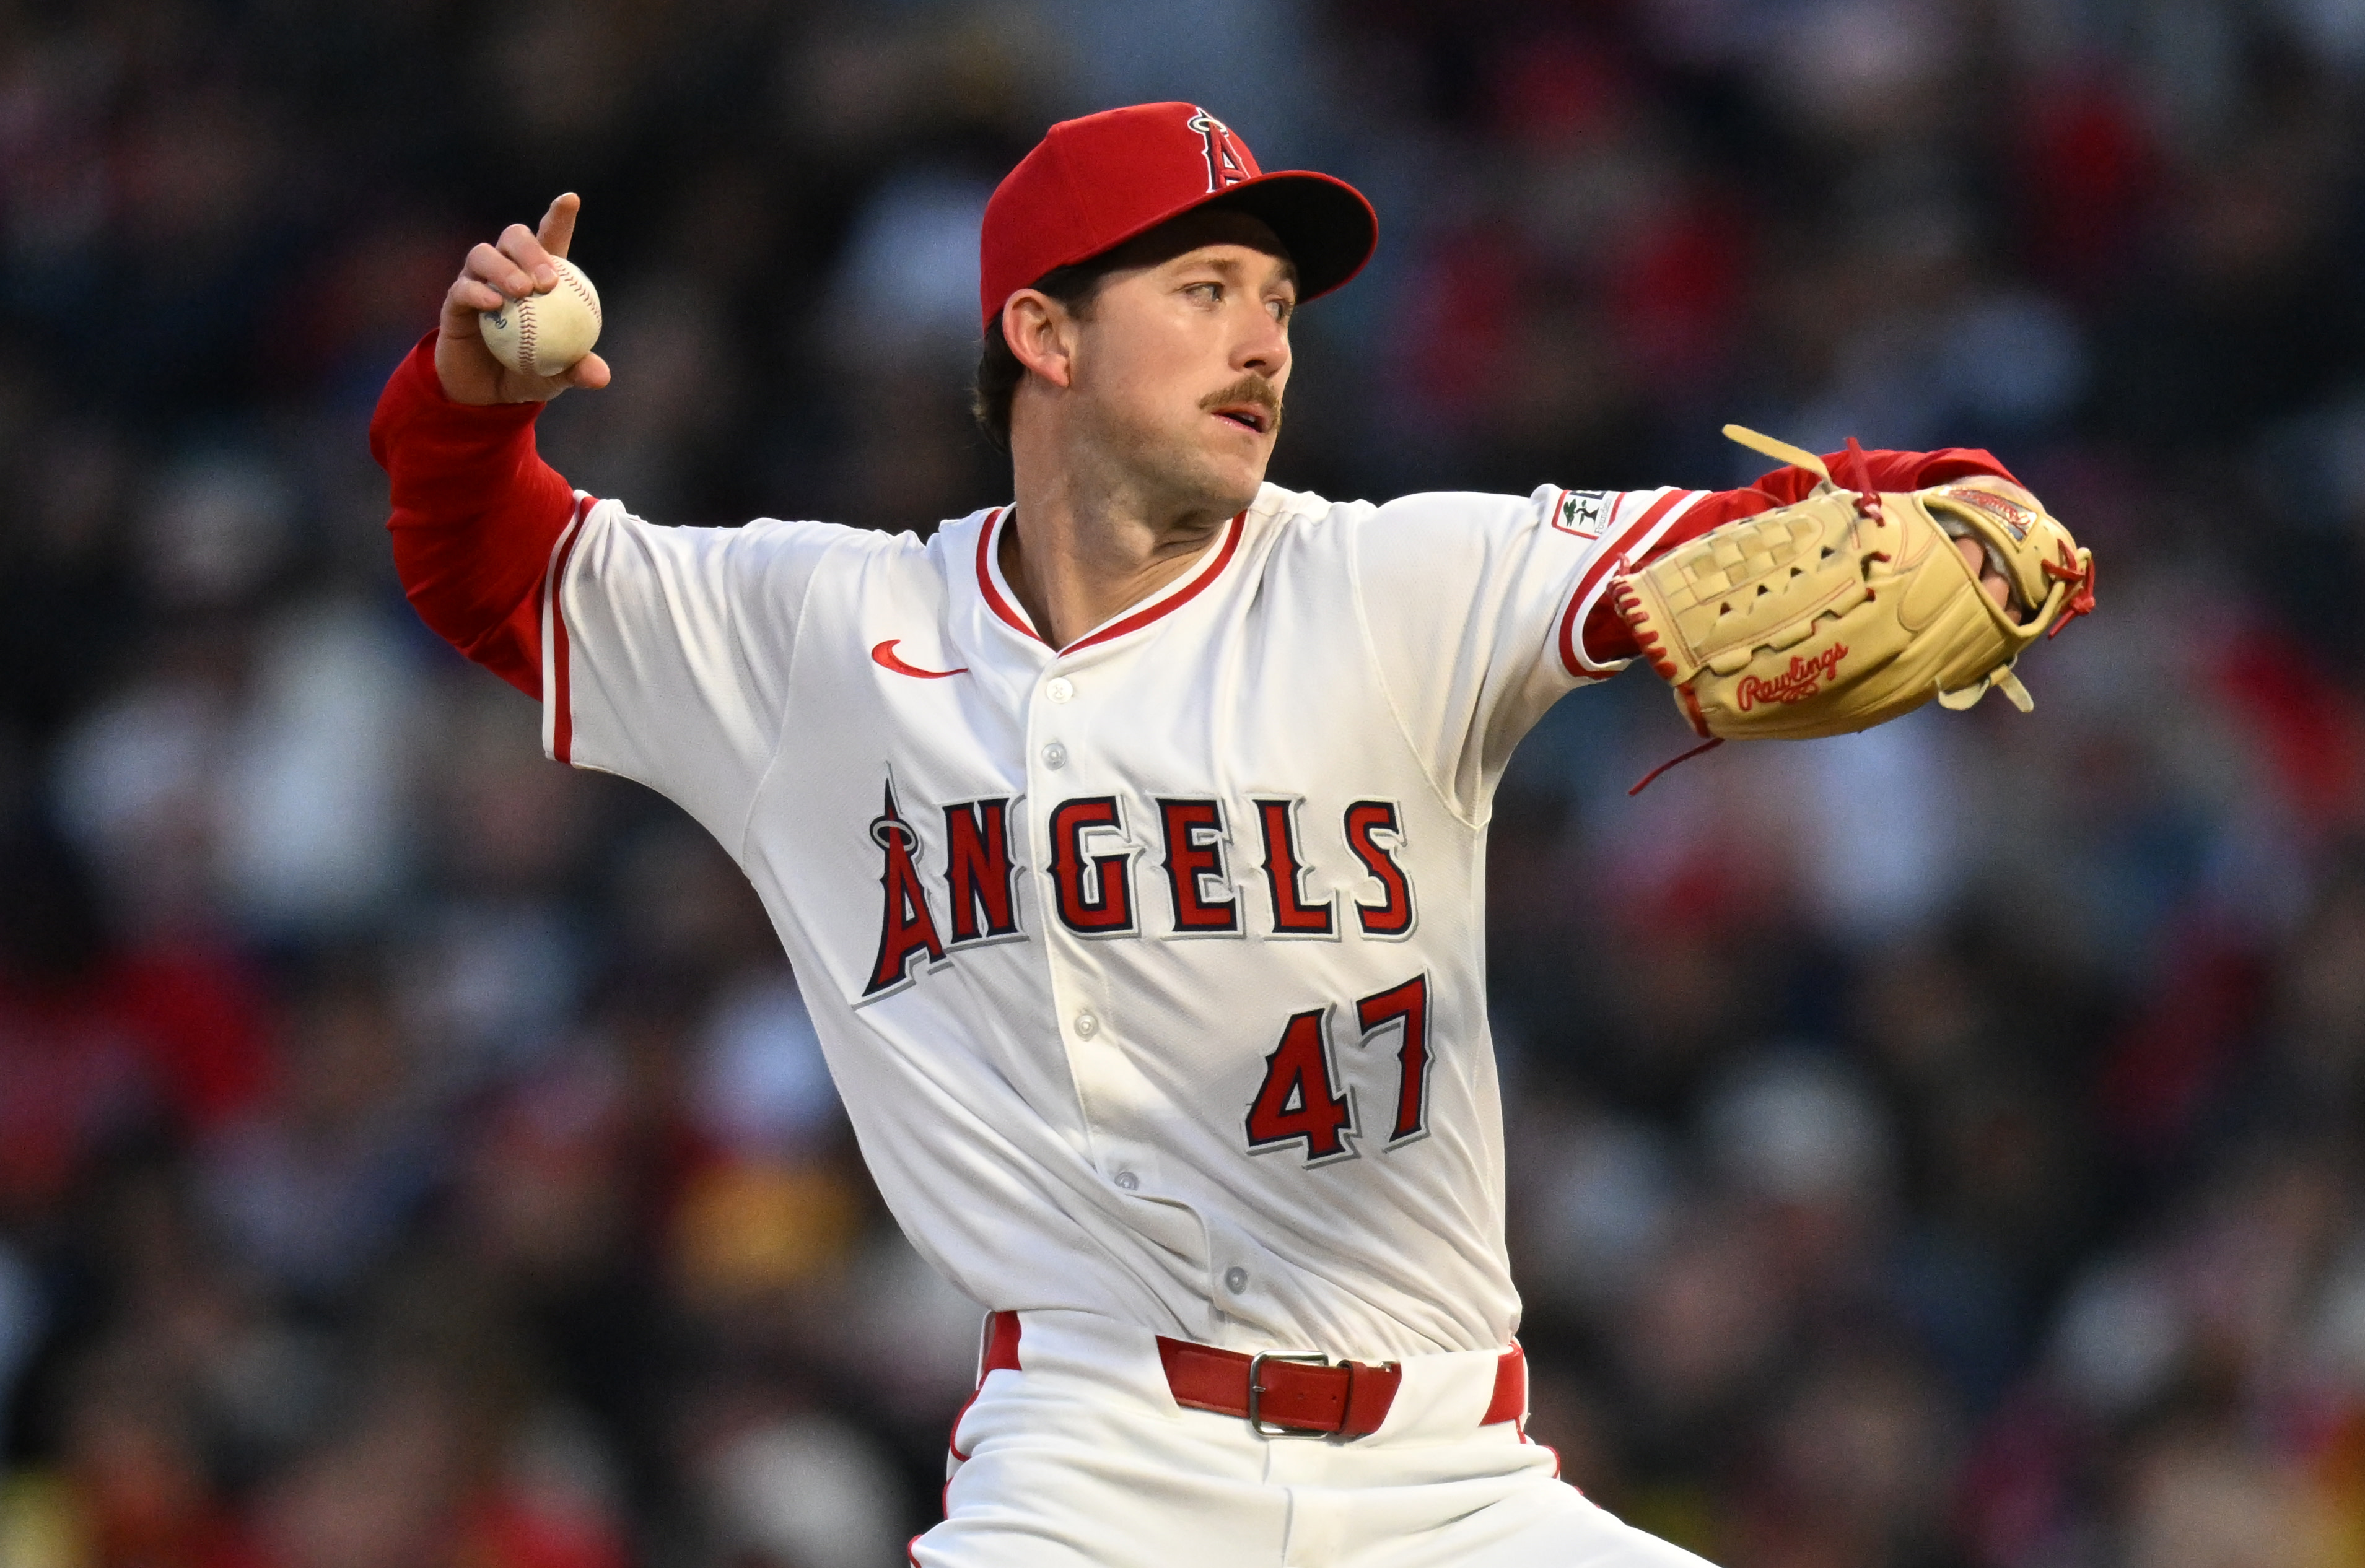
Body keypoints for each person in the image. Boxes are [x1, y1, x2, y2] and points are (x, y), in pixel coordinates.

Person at [372, 102, 2031, 1567]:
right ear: (1043, 331)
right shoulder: (824, 632)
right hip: (1095, 1467)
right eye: (1204, 290)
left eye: (1280, 302)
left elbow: (1787, 527)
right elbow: (487, 566)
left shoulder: (1393, 582)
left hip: (1450, 1475)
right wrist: (464, 395)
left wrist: (1950, 500)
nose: (1265, 344)